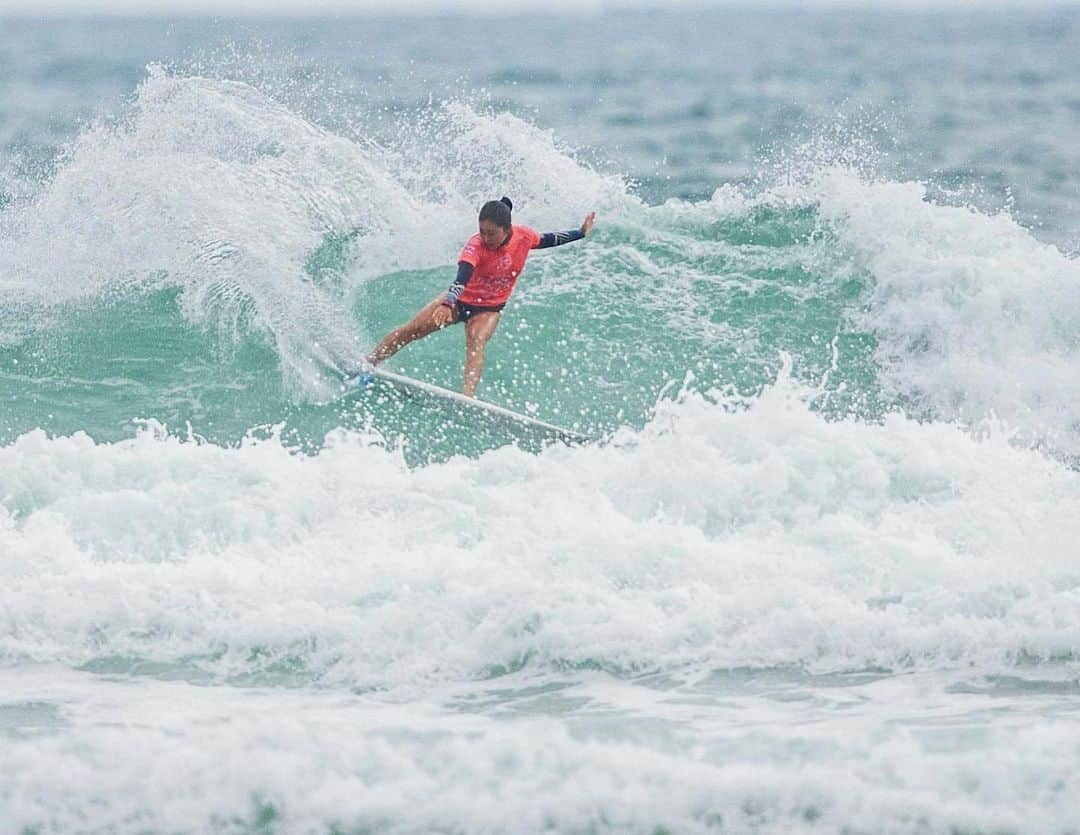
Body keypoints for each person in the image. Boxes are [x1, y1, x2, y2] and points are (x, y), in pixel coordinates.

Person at [367, 197, 596, 396]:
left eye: (492, 233)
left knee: (476, 342)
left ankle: (466, 398)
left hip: (489, 308)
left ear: (508, 230)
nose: (486, 237)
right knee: (411, 331)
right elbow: (462, 275)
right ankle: (370, 363)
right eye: (482, 231)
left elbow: (549, 239)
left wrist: (581, 233)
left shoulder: (523, 236)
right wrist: (448, 303)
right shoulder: (475, 246)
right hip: (458, 301)